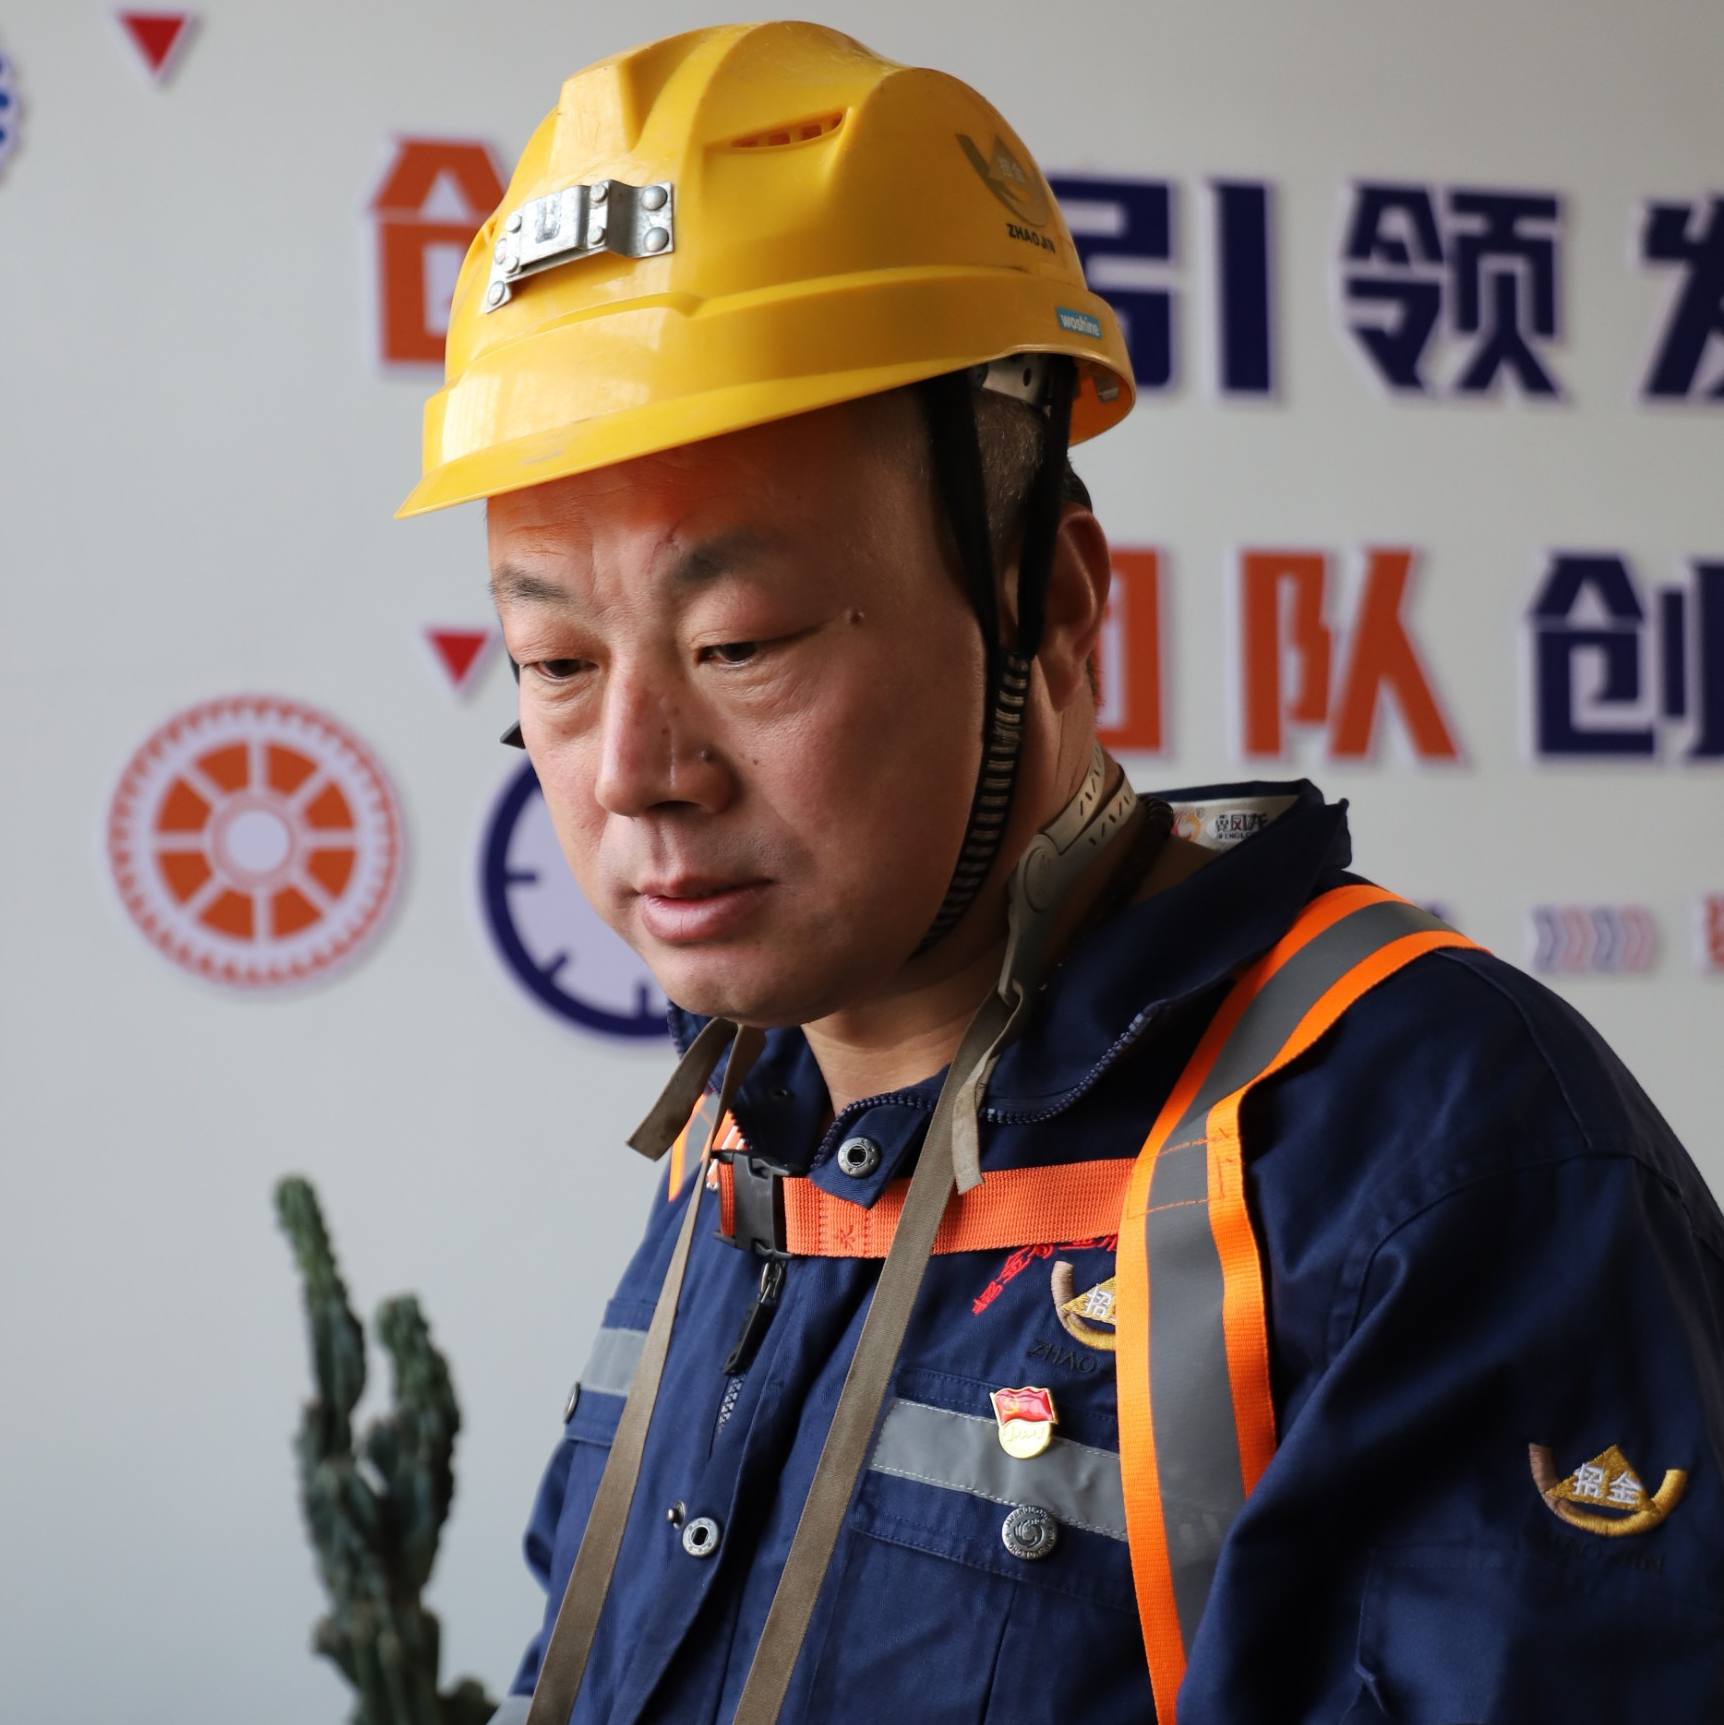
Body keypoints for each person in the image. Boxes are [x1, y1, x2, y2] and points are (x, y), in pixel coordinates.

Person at [398, 21, 1724, 1724]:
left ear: (1054, 601)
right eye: (557, 664)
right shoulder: (744, 1138)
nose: (635, 772)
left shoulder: (1423, 1163)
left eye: (742, 642)